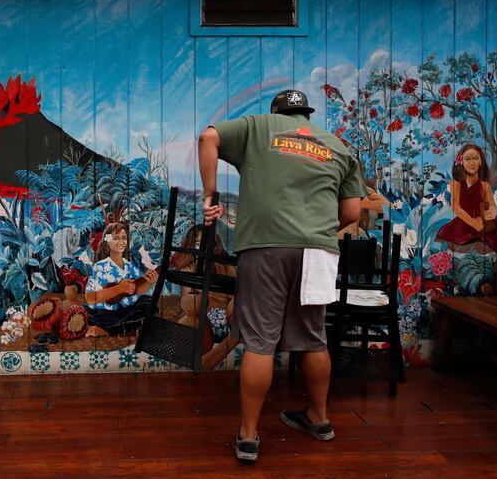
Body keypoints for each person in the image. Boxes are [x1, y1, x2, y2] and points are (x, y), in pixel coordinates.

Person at [198, 89, 365, 462]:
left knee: (259, 340)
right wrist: (316, 230)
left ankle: (248, 436)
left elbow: (208, 137)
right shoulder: (336, 144)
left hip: (266, 245)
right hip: (319, 249)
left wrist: (209, 195)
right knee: (313, 336)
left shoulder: (259, 127)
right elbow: (353, 212)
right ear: (306, 115)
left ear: (277, 112)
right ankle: (319, 419)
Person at [172, 224, 238, 370]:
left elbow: (239, 292)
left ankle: (232, 337)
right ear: (191, 246)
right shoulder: (188, 268)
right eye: (197, 243)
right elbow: (187, 303)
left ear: (214, 245)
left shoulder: (226, 267)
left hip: (227, 315)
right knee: (191, 314)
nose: (202, 247)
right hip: (202, 316)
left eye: (207, 242)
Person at [84, 222, 158, 336]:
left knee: (149, 303)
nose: (121, 242)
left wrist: (149, 282)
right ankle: (113, 329)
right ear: (108, 242)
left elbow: (136, 290)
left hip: (126, 311)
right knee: (84, 311)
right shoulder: (101, 266)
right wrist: (119, 289)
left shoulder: (129, 266)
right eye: (116, 238)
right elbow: (91, 298)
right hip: (106, 314)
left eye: (124, 238)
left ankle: (116, 328)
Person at [436, 143, 497, 253]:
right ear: (461, 162)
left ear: (481, 162)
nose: (471, 163)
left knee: (495, 239)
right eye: (467, 159)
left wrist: (492, 211)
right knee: (450, 236)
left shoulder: (484, 185)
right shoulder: (456, 183)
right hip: (465, 220)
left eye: (475, 158)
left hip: (483, 221)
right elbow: (456, 207)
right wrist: (473, 223)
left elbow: (492, 205)